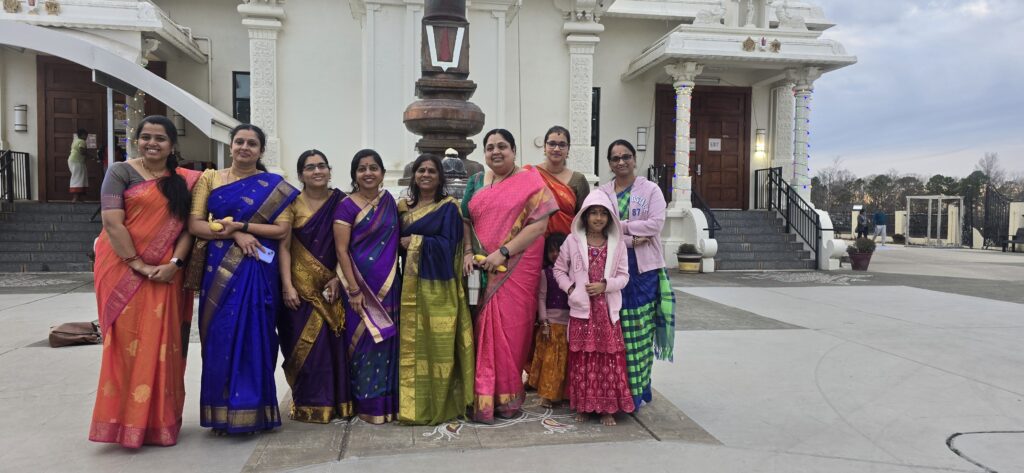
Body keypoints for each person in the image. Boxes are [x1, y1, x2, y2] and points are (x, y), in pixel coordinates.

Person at [89, 115, 201, 448]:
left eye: (160, 139)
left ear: (172, 144)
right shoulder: (120, 172)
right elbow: (112, 223)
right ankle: (122, 423)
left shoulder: (184, 180)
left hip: (166, 273)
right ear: (137, 140)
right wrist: (137, 263)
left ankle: (157, 423)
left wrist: (174, 264)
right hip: (122, 269)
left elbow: (186, 230)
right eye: (146, 137)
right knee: (125, 345)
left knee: (164, 345)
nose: (152, 143)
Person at [188, 124, 298, 435]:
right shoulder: (209, 179)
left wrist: (241, 228)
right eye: (239, 142)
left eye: (252, 143)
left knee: (256, 337)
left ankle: (254, 412)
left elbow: (281, 231)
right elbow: (195, 225)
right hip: (219, 271)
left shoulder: (274, 185)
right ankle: (221, 414)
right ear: (231, 145)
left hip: (258, 270)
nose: (244, 148)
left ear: (261, 151)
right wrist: (233, 233)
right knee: (220, 337)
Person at [460, 129, 557, 423]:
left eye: (502, 146)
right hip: (479, 268)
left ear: (514, 150)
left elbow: (539, 226)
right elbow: (466, 220)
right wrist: (467, 252)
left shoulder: (530, 181)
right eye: (490, 148)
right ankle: (482, 395)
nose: (496, 152)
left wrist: (503, 252)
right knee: (480, 333)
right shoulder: (476, 181)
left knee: (510, 333)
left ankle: (506, 397)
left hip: (516, 268)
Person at [397, 154, 475, 425]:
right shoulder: (402, 209)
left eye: (432, 170)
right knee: (413, 347)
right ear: (414, 175)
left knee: (439, 346)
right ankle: (412, 405)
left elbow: (448, 245)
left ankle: (442, 403)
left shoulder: (449, 207)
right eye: (421, 170)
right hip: (408, 288)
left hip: (439, 287)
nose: (426, 175)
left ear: (440, 177)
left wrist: (415, 241)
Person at [598, 139, 675, 410]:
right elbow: (598, 227)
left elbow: (655, 224)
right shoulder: (603, 193)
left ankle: (638, 389)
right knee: (615, 332)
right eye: (615, 158)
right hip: (611, 268)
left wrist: (621, 225)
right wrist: (630, 237)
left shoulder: (650, 189)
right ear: (609, 162)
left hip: (643, 272)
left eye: (626, 157)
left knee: (640, 331)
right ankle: (618, 390)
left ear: (634, 159)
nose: (621, 162)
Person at [277, 150, 351, 423]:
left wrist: (339, 279)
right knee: (304, 348)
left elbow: (349, 247)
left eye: (322, 166)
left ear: (330, 171)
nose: (317, 171)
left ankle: (338, 403)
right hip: (299, 289)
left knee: (333, 346)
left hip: (333, 285)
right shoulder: (291, 204)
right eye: (310, 168)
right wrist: (287, 286)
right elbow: (283, 246)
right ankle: (308, 405)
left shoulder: (342, 202)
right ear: (300, 175)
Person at [333, 149, 401, 424]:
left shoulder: (391, 203)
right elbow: (341, 250)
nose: (368, 173)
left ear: (383, 173)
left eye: (374, 167)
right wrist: (353, 289)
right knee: (363, 344)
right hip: (360, 287)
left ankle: (388, 404)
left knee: (387, 345)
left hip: (389, 284)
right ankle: (367, 405)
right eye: (362, 168)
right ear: (354, 175)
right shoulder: (346, 206)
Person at [554, 192, 633, 426]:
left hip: (607, 313)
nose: (598, 218)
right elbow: (559, 270)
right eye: (593, 213)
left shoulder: (617, 245)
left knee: (607, 359)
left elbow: (624, 276)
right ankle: (584, 405)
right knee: (583, 358)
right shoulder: (572, 241)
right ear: (585, 216)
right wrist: (571, 290)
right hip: (582, 312)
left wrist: (605, 285)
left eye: (603, 214)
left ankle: (607, 408)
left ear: (609, 218)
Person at [525, 233, 570, 408]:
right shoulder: (546, 274)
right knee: (550, 362)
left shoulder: (573, 274)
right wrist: (544, 321)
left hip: (569, 324)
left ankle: (562, 393)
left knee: (563, 362)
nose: (555, 254)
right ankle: (547, 395)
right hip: (550, 325)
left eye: (559, 250)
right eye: (551, 251)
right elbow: (541, 298)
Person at [524, 126, 591, 235]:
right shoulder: (530, 174)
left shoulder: (578, 180)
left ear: (568, 149)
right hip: (534, 240)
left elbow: (584, 217)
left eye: (562, 145)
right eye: (552, 144)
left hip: (567, 242)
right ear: (544, 147)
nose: (556, 149)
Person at [69, 128, 89, 202]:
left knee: (81, 178)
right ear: (83, 135)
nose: (87, 137)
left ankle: (80, 198)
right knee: (78, 178)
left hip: (74, 161)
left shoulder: (75, 141)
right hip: (77, 162)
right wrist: (92, 156)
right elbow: (82, 151)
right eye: (86, 135)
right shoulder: (82, 141)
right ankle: (75, 198)